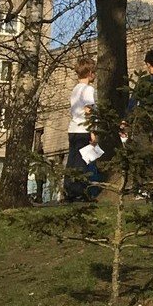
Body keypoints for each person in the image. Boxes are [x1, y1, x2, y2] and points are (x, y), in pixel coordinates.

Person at [64, 57, 98, 202]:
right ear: (90, 73)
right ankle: (79, 192)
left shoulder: (76, 89)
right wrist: (93, 131)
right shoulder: (89, 89)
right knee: (82, 162)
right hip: (84, 129)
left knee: (72, 161)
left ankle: (69, 190)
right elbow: (89, 110)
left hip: (73, 129)